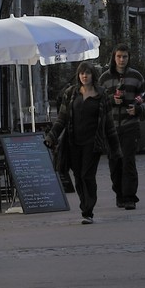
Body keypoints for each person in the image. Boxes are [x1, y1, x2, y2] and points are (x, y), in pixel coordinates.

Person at [46, 62, 114, 224]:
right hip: (73, 142)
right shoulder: (71, 94)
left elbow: (109, 123)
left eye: (87, 73)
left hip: (93, 143)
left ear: (93, 75)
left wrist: (115, 148)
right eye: (82, 73)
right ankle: (85, 205)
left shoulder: (101, 95)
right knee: (78, 176)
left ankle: (88, 210)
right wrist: (51, 136)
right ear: (78, 75)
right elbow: (62, 118)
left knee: (87, 175)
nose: (84, 76)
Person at [100, 44, 145, 209]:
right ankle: (120, 194)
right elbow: (98, 102)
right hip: (111, 128)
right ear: (114, 57)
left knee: (128, 161)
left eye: (125, 57)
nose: (121, 60)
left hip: (130, 126)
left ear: (129, 58)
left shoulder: (136, 76)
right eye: (119, 56)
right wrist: (110, 100)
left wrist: (137, 109)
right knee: (115, 163)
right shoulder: (105, 78)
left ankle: (129, 197)